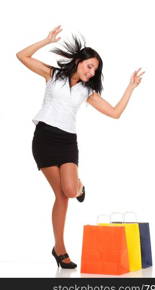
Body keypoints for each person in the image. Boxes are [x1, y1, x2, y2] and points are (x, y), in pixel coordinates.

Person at [16, 25, 145, 269]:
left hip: (67, 142)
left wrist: (131, 87)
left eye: (95, 69)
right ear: (78, 61)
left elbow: (115, 113)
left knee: (71, 190)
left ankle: (79, 185)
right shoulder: (53, 75)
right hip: (44, 138)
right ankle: (60, 249)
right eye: (89, 66)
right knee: (62, 196)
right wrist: (46, 40)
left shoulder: (88, 91)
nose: (92, 71)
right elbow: (22, 56)